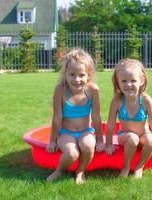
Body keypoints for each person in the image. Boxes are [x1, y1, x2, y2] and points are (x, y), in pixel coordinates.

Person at [46, 48, 104, 184]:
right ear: (65, 74)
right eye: (72, 75)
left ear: (89, 75)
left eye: (81, 75)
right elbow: (57, 117)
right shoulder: (60, 90)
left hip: (86, 131)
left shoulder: (93, 90)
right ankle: (60, 170)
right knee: (72, 153)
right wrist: (52, 140)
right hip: (66, 133)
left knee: (88, 146)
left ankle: (80, 171)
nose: (77, 79)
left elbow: (96, 117)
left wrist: (100, 140)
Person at [105, 58, 152, 179]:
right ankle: (126, 167)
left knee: (150, 141)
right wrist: (109, 144)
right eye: (124, 81)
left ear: (141, 81)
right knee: (132, 138)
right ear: (118, 82)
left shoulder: (145, 100)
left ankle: (139, 167)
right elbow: (110, 124)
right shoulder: (117, 100)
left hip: (143, 134)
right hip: (124, 136)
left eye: (133, 80)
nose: (128, 84)